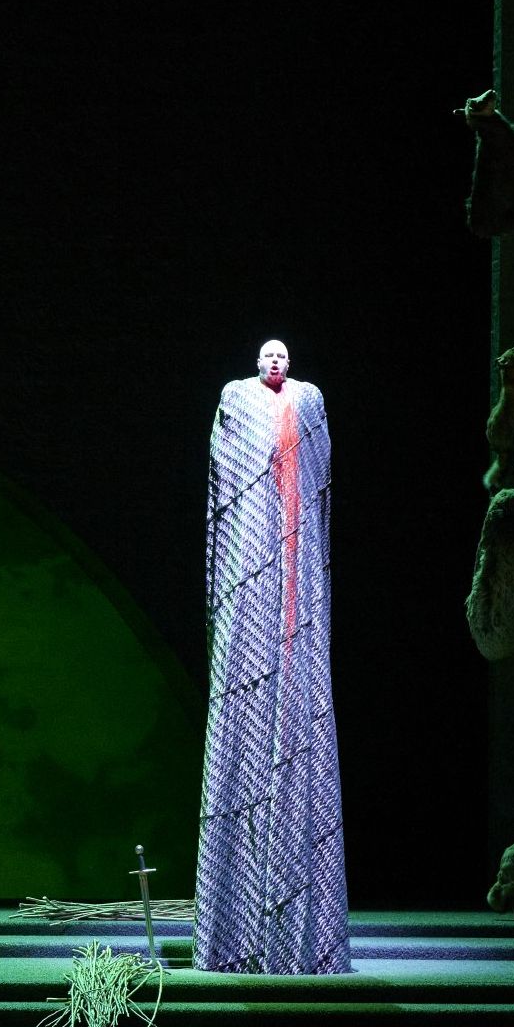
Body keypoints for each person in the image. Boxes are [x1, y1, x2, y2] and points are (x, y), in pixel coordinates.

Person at [194, 339, 351, 974]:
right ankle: (234, 933)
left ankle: (303, 936)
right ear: (257, 363)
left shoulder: (310, 403)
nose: (275, 365)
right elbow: (223, 493)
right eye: (267, 357)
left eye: (282, 357)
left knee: (301, 726)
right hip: (251, 588)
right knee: (244, 730)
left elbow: (318, 491)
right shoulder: (235, 401)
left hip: (298, 594)